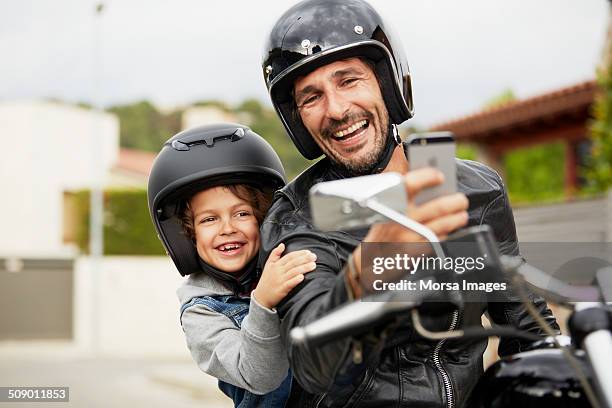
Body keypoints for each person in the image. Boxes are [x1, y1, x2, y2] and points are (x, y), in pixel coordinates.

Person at [258, 0, 560, 406]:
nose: (337, 110)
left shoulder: (477, 190)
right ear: (298, 119)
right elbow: (314, 363)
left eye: (348, 80)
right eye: (311, 97)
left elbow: (523, 322)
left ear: (387, 82)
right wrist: (365, 273)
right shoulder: (297, 219)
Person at [147, 123, 317, 407]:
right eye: (209, 219)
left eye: (241, 213)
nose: (227, 228)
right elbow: (259, 376)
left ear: (264, 219)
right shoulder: (201, 313)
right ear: (187, 237)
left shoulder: (289, 260)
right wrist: (263, 302)